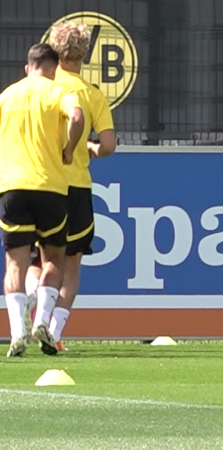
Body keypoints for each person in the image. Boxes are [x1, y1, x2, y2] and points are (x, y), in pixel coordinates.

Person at [23, 22, 117, 353]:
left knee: (39, 258)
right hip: (76, 185)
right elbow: (108, 145)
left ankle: (31, 301)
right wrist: (89, 148)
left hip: (43, 181)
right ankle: (53, 330)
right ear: (84, 53)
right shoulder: (91, 94)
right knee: (71, 263)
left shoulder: (40, 85)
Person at [0, 43, 85, 357]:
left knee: (15, 264)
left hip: (13, 188)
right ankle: (43, 321)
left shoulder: (7, 96)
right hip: (51, 188)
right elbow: (76, 117)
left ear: (27, 67)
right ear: (54, 68)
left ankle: (17, 332)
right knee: (53, 260)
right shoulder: (59, 92)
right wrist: (69, 149)